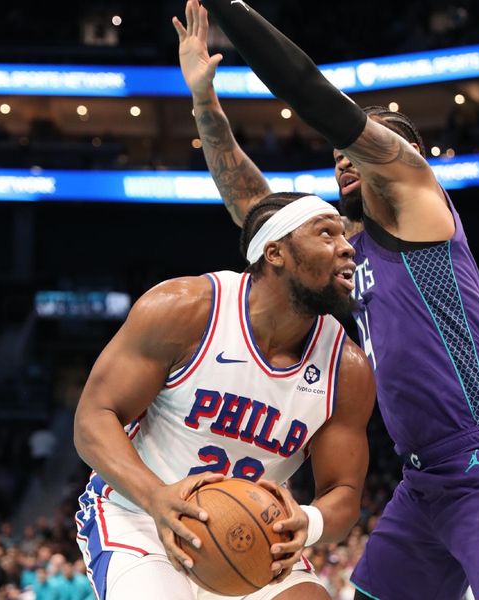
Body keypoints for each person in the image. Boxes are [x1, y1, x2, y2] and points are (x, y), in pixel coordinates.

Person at [179, 1, 479, 598]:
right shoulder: (347, 257)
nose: (344, 157)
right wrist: (205, 104)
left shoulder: (422, 209)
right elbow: (253, 208)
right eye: (339, 154)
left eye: (361, 146)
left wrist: (233, 14)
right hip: (423, 478)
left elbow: (311, 92)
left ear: (402, 159)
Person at [73, 192, 375, 600]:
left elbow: (343, 492)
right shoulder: (186, 309)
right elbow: (94, 419)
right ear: (275, 253)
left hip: (251, 531)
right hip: (141, 512)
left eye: (344, 236)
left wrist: (308, 520)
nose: (346, 247)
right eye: (326, 234)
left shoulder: (348, 369)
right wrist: (155, 497)